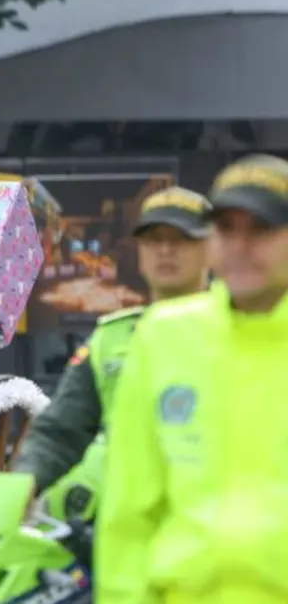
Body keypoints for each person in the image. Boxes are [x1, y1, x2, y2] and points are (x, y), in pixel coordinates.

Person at [96, 154, 288, 604]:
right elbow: (130, 510)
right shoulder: (164, 336)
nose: (240, 246)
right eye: (226, 229)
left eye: (260, 229)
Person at [14, 186, 212, 519]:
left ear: (212, 248)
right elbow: (61, 432)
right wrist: (24, 484)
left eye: (181, 239)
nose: (165, 250)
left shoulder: (244, 330)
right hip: (119, 530)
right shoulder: (112, 339)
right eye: (153, 239)